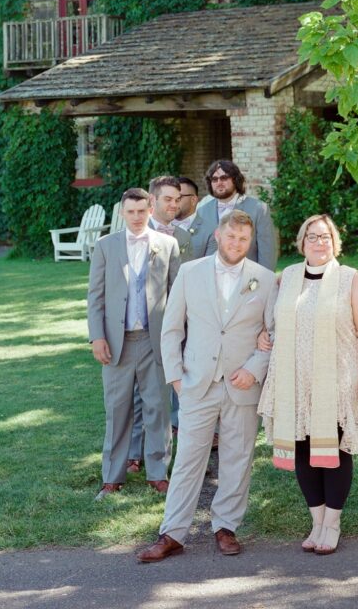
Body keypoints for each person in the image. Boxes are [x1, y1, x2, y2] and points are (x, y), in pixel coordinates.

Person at [136, 209, 277, 562]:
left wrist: (255, 369)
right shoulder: (189, 272)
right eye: (232, 236)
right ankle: (172, 532)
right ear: (218, 235)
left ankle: (225, 527)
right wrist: (176, 378)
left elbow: (273, 333)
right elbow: (171, 330)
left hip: (242, 385)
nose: (237, 244)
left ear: (250, 241)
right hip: (197, 384)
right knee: (187, 460)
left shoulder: (265, 278)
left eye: (244, 239)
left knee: (238, 458)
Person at [257, 213, 358, 555]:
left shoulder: (349, 279)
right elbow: (267, 319)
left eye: (325, 237)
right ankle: (316, 521)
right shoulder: (286, 279)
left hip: (339, 379)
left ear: (335, 242)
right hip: (294, 380)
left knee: (334, 451)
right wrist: (261, 334)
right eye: (312, 237)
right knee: (303, 448)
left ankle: (333, 522)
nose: (319, 242)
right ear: (301, 242)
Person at [87, 187, 180, 501]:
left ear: (150, 209)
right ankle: (112, 477)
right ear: (122, 212)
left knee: (158, 408)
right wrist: (97, 336)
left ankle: (158, 473)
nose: (137, 217)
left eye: (142, 211)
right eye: (131, 212)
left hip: (154, 341)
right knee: (117, 410)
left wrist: (176, 341)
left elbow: (177, 296)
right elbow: (95, 297)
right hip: (117, 342)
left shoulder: (167, 245)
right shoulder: (105, 246)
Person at [127, 176, 196, 471]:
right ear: (152, 202)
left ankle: (175, 455)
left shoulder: (183, 237)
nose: (174, 204)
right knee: (136, 395)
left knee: (173, 392)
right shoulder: (134, 234)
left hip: (175, 325)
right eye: (168, 199)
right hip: (138, 329)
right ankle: (133, 454)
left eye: (178, 199)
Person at [197, 159, 277, 270]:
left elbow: (267, 252)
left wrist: (264, 280)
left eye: (224, 178)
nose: (219, 183)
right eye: (214, 179)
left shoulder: (258, 209)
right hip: (210, 278)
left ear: (235, 180)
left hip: (246, 277)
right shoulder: (202, 211)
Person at [172, 176, 217, 259]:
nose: (173, 202)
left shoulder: (211, 231)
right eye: (170, 198)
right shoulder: (158, 226)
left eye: (178, 197)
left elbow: (209, 266)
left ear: (193, 200)